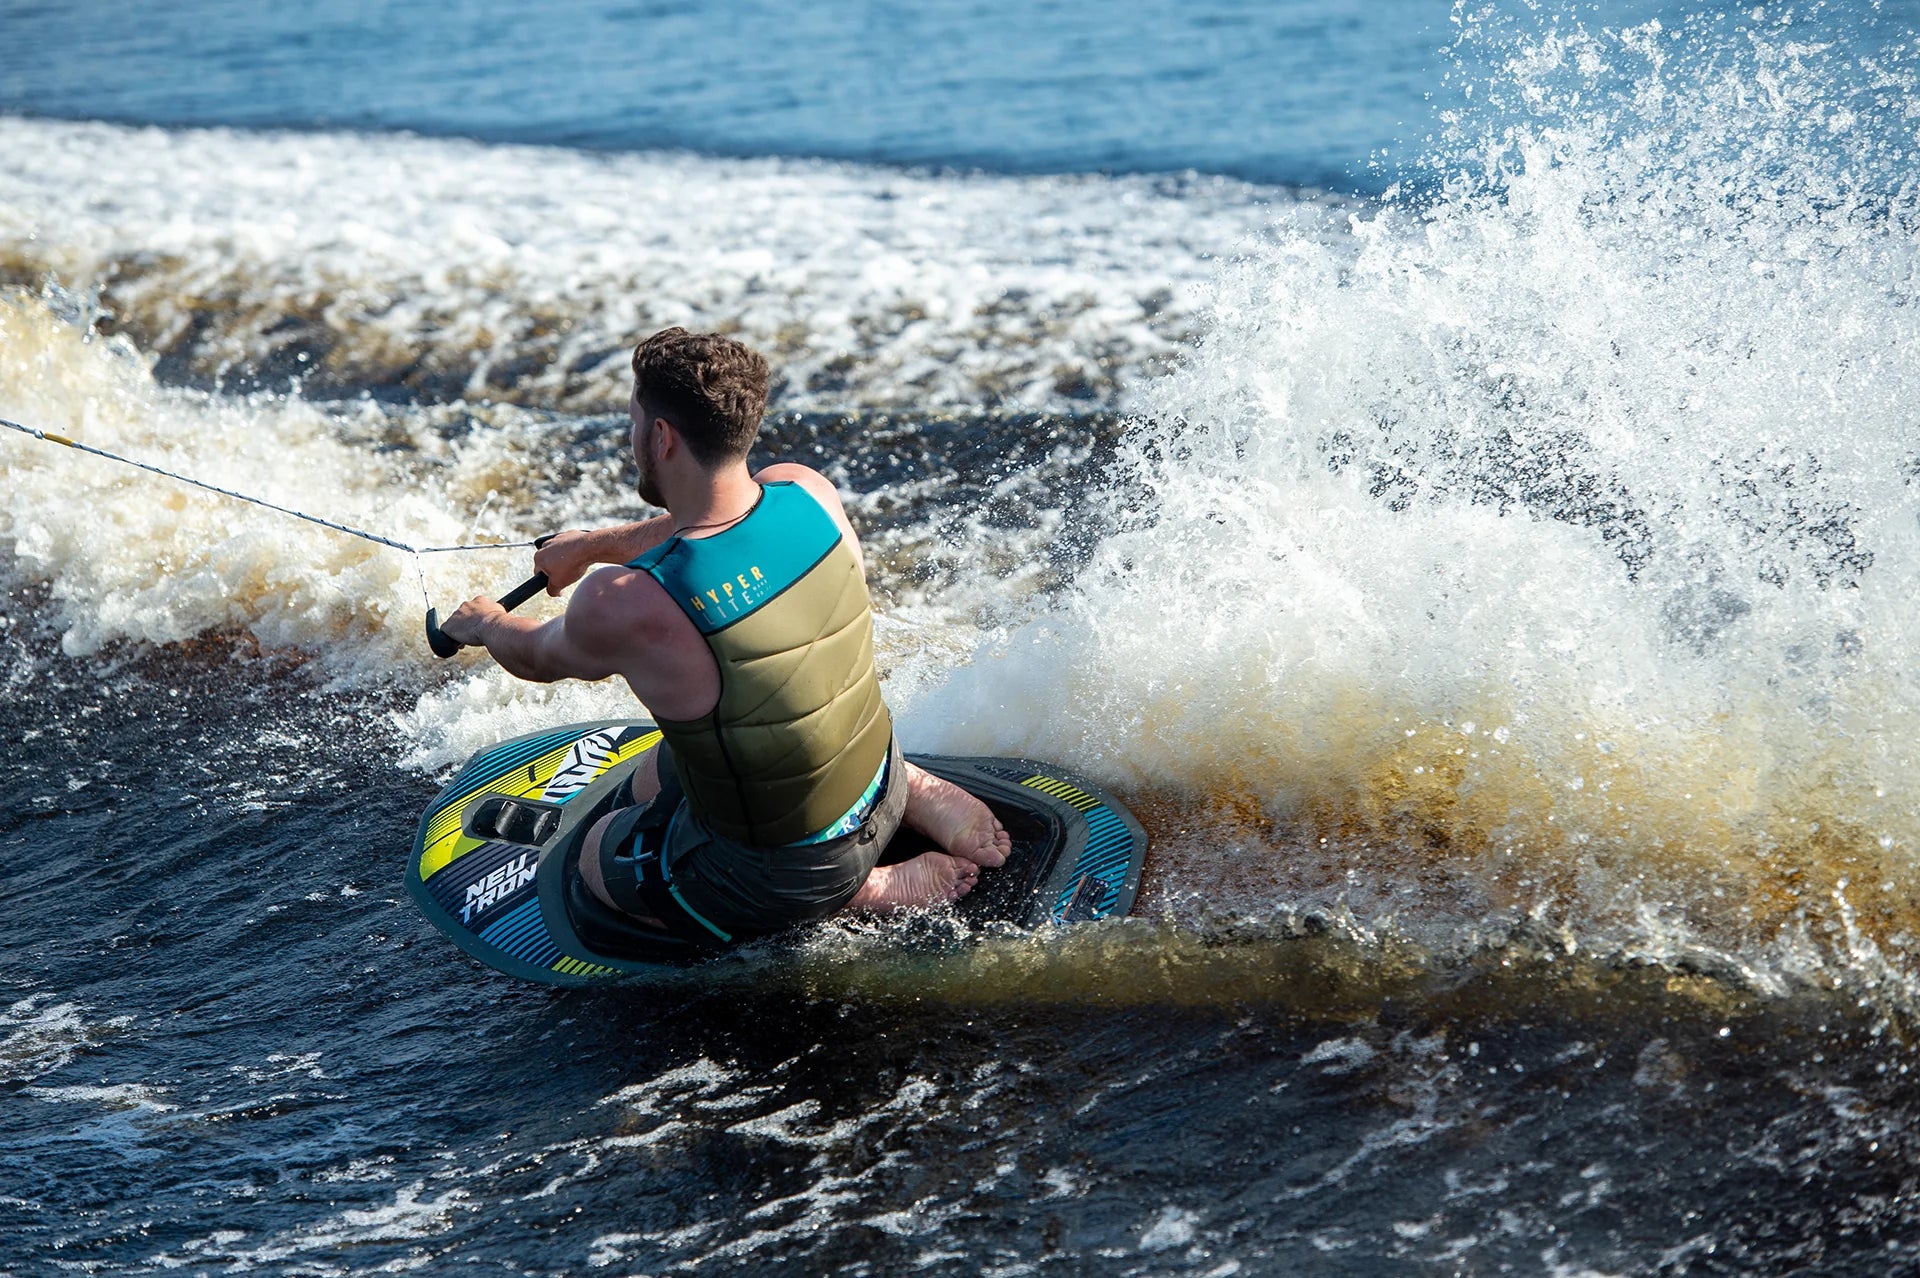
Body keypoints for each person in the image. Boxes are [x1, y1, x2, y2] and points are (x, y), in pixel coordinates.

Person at [439, 327, 1010, 947]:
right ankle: (915, 791)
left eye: (635, 421)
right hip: (883, 774)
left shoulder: (625, 601)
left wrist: (486, 622)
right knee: (658, 771)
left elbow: (535, 656)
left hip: (796, 871)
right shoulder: (807, 493)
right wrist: (593, 545)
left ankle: (865, 892)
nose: (633, 439)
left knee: (592, 854)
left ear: (661, 437)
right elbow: (712, 528)